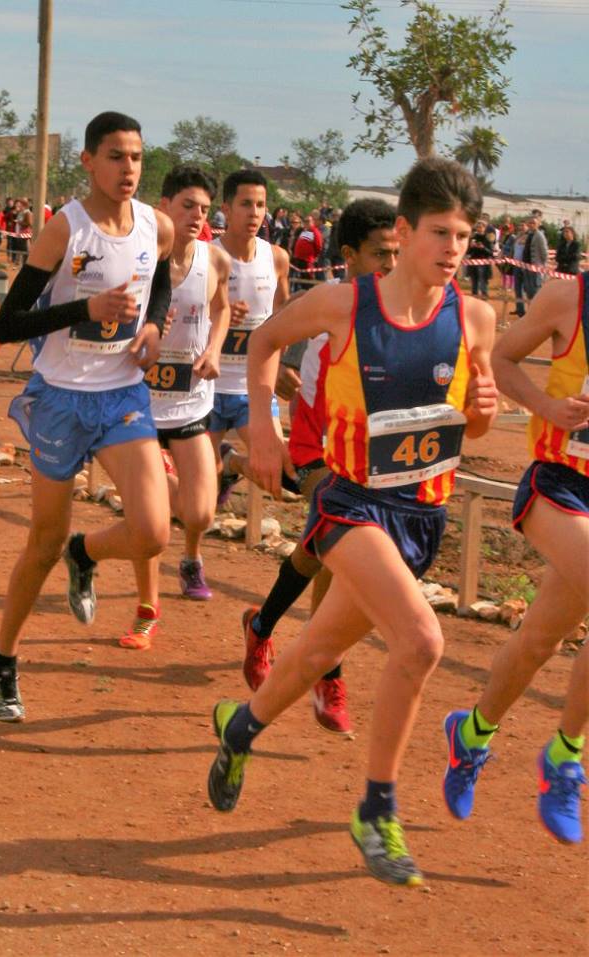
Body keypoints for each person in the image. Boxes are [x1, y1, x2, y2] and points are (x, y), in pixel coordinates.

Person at [205, 156, 499, 887]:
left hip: (422, 519)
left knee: (311, 655)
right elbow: (267, 340)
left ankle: (239, 728)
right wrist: (267, 428)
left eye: (465, 235)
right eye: (440, 232)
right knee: (423, 639)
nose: (454, 248)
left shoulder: (477, 319)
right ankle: (376, 805)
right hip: (350, 503)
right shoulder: (344, 304)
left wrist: (486, 416)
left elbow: (472, 426)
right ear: (403, 232)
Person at [0, 110, 174, 722]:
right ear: (89, 161)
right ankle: (5, 658)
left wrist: (151, 324)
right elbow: (7, 324)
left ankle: (87, 552)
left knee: (152, 531)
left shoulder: (156, 226)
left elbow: (162, 281)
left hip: (122, 395)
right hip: (62, 397)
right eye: (116, 156)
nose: (129, 169)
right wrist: (85, 309)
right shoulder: (63, 231)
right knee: (40, 542)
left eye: (138, 157)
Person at [239, 198, 400, 735]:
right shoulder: (334, 314)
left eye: (397, 254)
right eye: (381, 255)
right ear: (350, 257)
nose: (392, 267)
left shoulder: (403, 311)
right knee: (338, 554)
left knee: (319, 553)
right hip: (321, 452)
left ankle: (262, 625)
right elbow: (315, 397)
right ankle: (329, 671)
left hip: (374, 463)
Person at [443, 276, 588, 844]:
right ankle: (565, 758)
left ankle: (471, 734)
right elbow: (501, 360)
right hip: (559, 483)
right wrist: (547, 404)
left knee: (538, 641)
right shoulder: (565, 299)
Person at [121, 164, 230, 647]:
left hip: (190, 403)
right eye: (187, 205)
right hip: (138, 404)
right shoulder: (138, 259)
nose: (196, 216)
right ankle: (147, 608)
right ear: (163, 206)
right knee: (151, 524)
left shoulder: (214, 260)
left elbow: (222, 306)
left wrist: (214, 349)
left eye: (204, 209)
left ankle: (187, 550)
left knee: (201, 513)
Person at [209, 169, 289, 505]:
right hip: (207, 387)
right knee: (198, 491)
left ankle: (232, 463)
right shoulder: (206, 256)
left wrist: (279, 366)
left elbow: (284, 320)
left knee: (281, 474)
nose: (254, 213)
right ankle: (227, 463)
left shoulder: (277, 258)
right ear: (226, 208)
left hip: (251, 389)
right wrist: (220, 314)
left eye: (260, 205)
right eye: (245, 204)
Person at [466, 220, 493, 299]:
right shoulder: (473, 237)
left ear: (485, 228)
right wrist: (471, 246)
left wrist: (483, 247)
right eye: (477, 227)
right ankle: (474, 297)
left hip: (483, 262)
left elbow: (491, 252)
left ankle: (484, 297)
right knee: (474, 280)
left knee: (483, 280)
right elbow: (468, 252)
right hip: (473, 261)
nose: (479, 228)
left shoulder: (488, 238)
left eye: (481, 227)